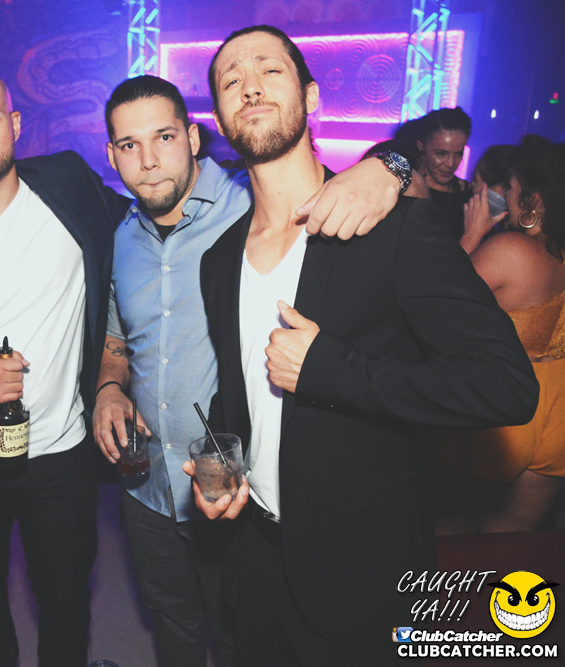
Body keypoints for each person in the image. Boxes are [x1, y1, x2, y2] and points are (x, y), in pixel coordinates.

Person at [184, 25, 538, 665]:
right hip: (255, 565)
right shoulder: (217, 260)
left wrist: (330, 369)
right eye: (231, 80)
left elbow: (506, 385)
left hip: (362, 573)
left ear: (311, 97)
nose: (250, 86)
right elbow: (240, 389)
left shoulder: (394, 230)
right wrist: (223, 463)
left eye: (269, 70)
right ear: (220, 117)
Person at [93, 75, 409, 667]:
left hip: (233, 487)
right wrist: (110, 385)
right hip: (147, 486)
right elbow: (118, 338)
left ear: (193, 138)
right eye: (129, 145)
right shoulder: (122, 238)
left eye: (164, 136)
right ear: (112, 155)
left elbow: (337, 192)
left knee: (244, 633)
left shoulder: (252, 204)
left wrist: (388, 166)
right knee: (173, 623)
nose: (149, 159)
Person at [0, 65, 129, 667]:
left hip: (62, 452)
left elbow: (150, 223)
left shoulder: (68, 182)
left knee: (67, 602)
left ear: (14, 124)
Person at [435, 136, 565, 533]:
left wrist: (472, 234)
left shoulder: (511, 250)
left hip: (506, 407)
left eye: (510, 187)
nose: (504, 195)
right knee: (509, 538)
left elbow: (435, 304)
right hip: (557, 408)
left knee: (442, 528)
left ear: (533, 200)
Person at [416, 106, 473, 236]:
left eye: (458, 154)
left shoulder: (471, 196)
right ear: (421, 146)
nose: (450, 163)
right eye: (441, 153)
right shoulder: (407, 191)